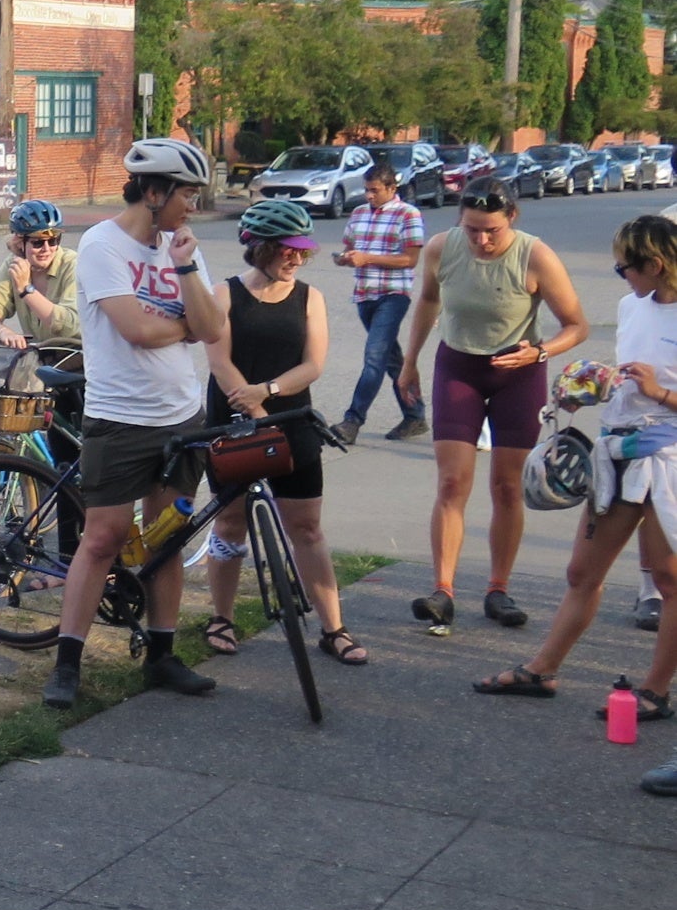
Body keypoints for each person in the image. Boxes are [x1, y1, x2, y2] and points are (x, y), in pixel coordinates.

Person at [43, 138, 231, 711]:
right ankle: (66, 663)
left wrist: (185, 271)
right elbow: (137, 330)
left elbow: (214, 327)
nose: (191, 209)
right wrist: (186, 326)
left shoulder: (183, 250)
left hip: (180, 416)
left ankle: (162, 656)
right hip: (120, 419)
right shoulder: (102, 244)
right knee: (101, 539)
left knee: (167, 538)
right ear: (153, 192)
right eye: (185, 197)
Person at [474, 217, 677, 741]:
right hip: (620, 450)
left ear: (656, 265)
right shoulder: (632, 306)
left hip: (669, 459)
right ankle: (542, 671)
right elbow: (631, 375)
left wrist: (660, 395)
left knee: (670, 579)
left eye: (624, 266)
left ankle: (655, 690)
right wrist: (592, 386)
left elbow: (657, 385)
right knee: (581, 572)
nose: (619, 275)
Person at [397, 186, 590, 634]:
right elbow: (427, 301)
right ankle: (442, 591)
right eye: (472, 230)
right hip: (458, 365)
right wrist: (410, 362)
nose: (481, 241)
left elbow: (576, 325)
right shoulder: (442, 248)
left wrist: (540, 352)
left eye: (492, 231)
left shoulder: (535, 256)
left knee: (507, 486)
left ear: (513, 218)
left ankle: (498, 589)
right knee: (451, 481)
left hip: (518, 372)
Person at [198, 199, 365, 667]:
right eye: (287, 250)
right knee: (230, 522)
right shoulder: (224, 294)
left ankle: (334, 629)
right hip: (232, 421)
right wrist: (245, 400)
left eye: (301, 251)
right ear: (262, 249)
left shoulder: (309, 298)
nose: (296, 258)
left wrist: (266, 393)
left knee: (307, 528)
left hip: (291, 422)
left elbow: (313, 364)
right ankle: (221, 618)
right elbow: (218, 360)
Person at [330, 163, 429, 445]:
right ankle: (414, 415)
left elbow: (410, 259)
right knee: (392, 358)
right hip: (364, 294)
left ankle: (352, 420)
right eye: (366, 190)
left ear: (391, 188)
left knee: (374, 356)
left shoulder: (408, 214)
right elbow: (351, 248)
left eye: (375, 191)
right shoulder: (359, 213)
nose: (369, 196)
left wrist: (367, 258)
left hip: (393, 295)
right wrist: (344, 258)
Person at [0, 199, 82, 355]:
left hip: (78, 355)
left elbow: (68, 326)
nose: (47, 249)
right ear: (20, 243)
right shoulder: (15, 264)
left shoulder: (72, 265)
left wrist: (26, 290)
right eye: (38, 243)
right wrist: (4, 333)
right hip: (40, 355)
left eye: (53, 241)